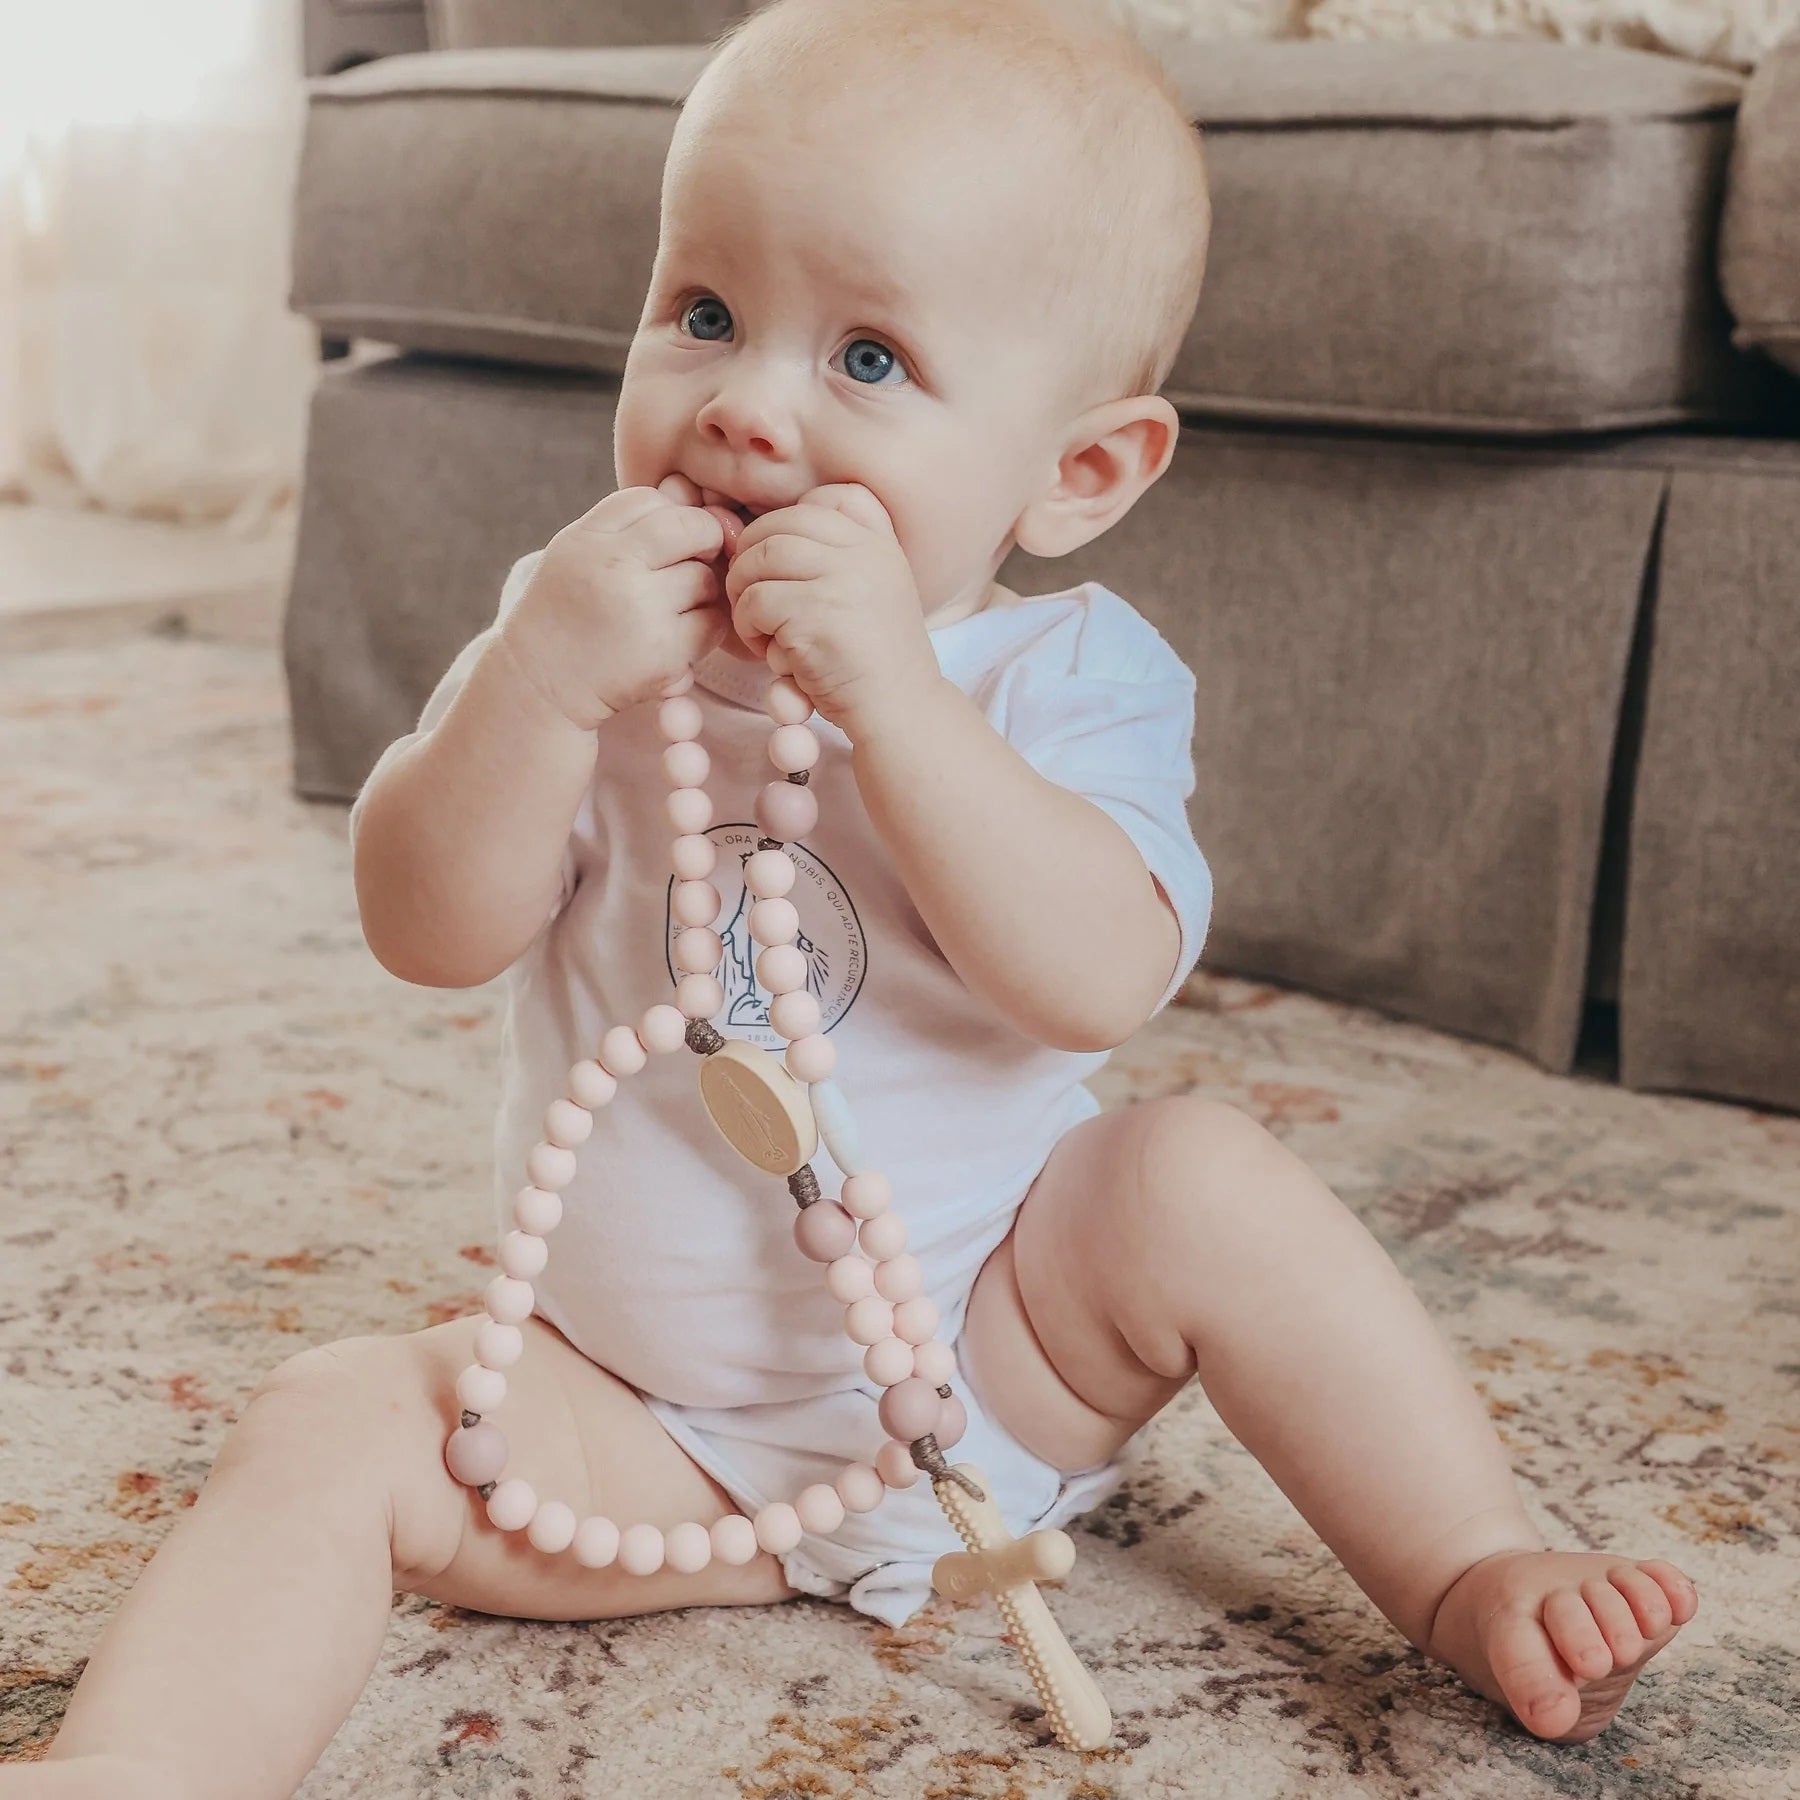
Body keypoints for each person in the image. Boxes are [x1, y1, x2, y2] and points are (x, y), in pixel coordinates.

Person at [15, 2, 1696, 1792]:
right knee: (332, 1420)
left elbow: (1096, 977)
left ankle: (1465, 1559)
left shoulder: (1067, 676)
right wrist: (534, 681)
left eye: (870, 359)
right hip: (638, 1431)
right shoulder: (583, 635)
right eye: (705, 313)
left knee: (1195, 1176)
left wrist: (894, 698)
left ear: (1079, 473)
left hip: (1000, 1355)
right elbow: (424, 927)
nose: (743, 407)